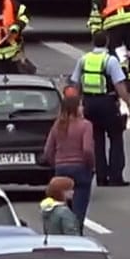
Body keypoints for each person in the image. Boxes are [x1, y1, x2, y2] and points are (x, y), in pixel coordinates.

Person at [71, 33, 130, 186]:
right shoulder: (110, 60)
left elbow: (75, 84)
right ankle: (115, 176)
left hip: (89, 104)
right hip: (107, 103)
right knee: (116, 138)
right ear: (107, 42)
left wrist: (77, 104)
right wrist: (128, 103)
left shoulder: (84, 59)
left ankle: (101, 176)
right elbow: (119, 85)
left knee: (97, 141)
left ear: (93, 42)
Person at [42, 92, 95, 222]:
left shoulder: (57, 126)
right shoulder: (85, 125)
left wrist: (57, 164)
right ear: (76, 108)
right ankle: (76, 233)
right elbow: (87, 150)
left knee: (61, 208)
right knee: (79, 209)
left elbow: (48, 151)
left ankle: (62, 232)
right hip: (80, 168)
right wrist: (90, 165)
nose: (83, 108)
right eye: (81, 105)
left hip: (61, 169)